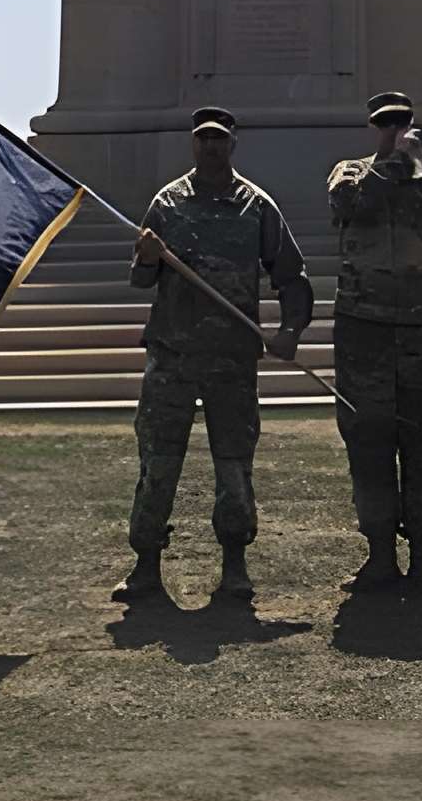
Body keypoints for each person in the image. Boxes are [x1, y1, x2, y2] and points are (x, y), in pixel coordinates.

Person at [115, 110, 313, 605]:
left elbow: (291, 274)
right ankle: (146, 564)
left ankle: (235, 565)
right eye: (203, 139)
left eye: (219, 140)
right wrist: (144, 256)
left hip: (231, 358)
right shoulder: (167, 203)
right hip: (173, 355)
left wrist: (290, 330)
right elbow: (140, 281)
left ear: (233, 145)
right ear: (192, 144)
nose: (210, 147)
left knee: (233, 463)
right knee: (158, 461)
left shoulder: (255, 207)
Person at [326, 91, 422, 588]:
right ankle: (379, 553)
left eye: (401, 123)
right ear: (372, 127)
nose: (393, 131)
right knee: (368, 442)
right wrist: (395, 164)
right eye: (384, 124)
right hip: (365, 328)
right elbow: (347, 204)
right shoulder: (352, 172)